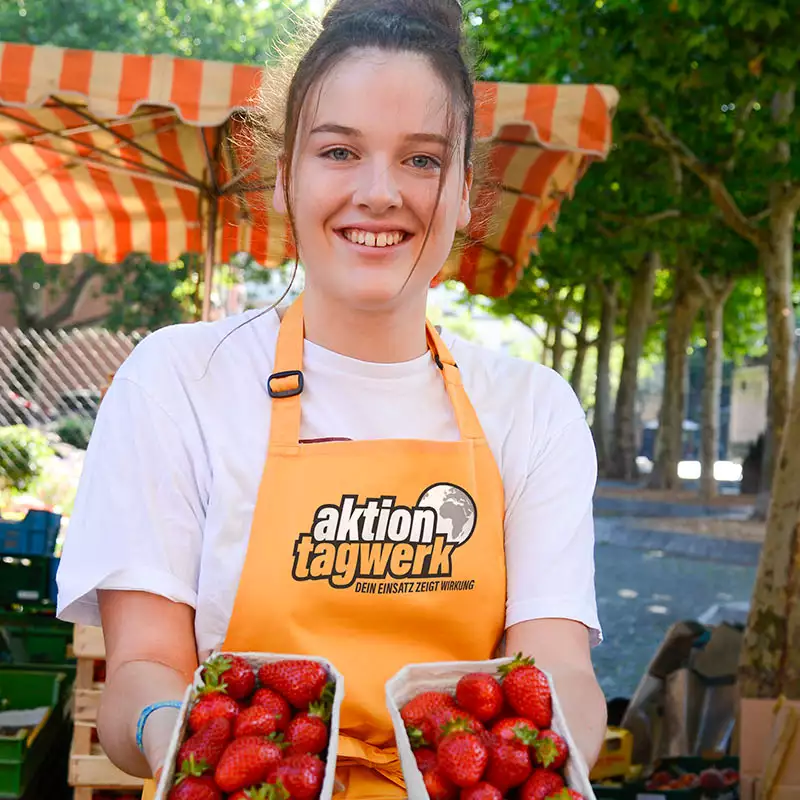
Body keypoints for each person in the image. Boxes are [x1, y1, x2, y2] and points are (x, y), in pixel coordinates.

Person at [56, 0, 607, 797]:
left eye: (422, 160)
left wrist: (548, 753)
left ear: (463, 194)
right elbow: (144, 666)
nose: (379, 193)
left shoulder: (533, 407)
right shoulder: (177, 381)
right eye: (340, 151)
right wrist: (185, 735)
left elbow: (556, 661)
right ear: (283, 178)